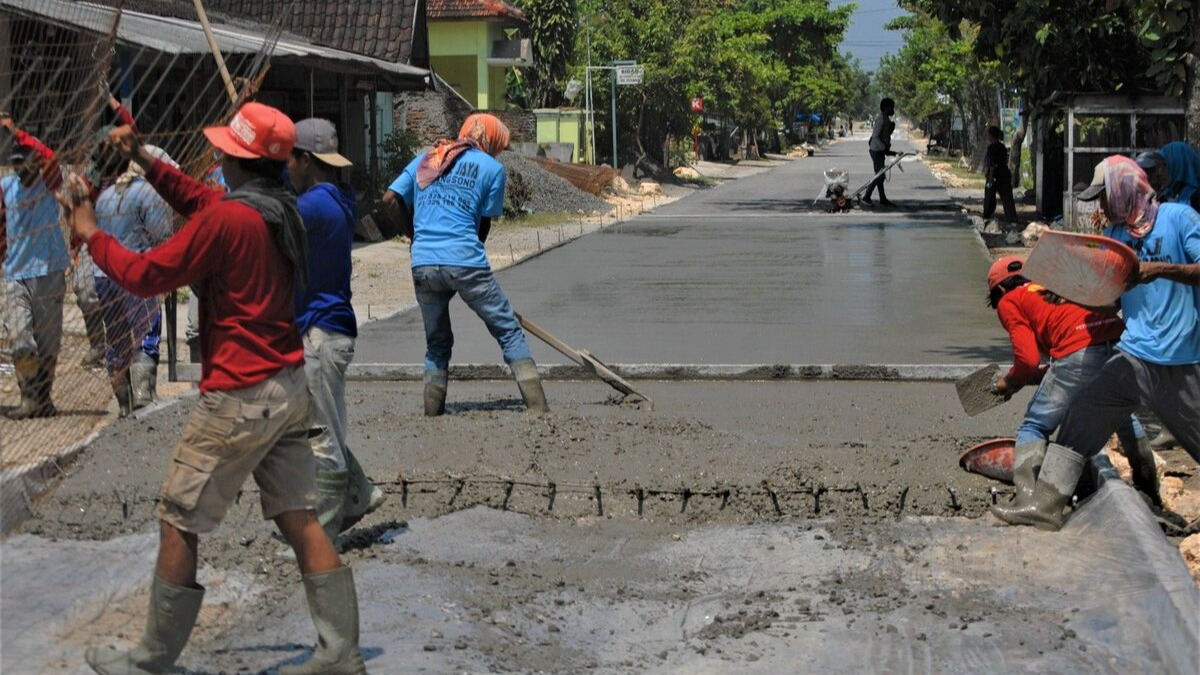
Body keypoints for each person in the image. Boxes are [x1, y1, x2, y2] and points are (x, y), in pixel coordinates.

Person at [63, 104, 367, 675]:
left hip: (238, 396)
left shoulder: (228, 220)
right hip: (286, 384)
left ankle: (152, 658)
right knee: (299, 515)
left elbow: (146, 276)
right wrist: (143, 158)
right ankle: (341, 653)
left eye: (225, 150)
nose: (218, 157)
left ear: (235, 159)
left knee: (179, 515)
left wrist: (91, 234)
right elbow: (195, 199)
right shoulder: (280, 208)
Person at [993, 156, 1200, 531]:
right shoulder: (1119, 240)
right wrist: (1072, 295)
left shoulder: (1178, 219)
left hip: (1179, 359)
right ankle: (1045, 505)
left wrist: (1158, 270)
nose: (1102, 207)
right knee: (1079, 418)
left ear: (1125, 190)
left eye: (1104, 197)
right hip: (1133, 355)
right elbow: (1112, 297)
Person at [383, 113, 549, 416]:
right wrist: (466, 272)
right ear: (492, 140)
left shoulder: (427, 158)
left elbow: (390, 198)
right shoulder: (492, 168)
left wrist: (415, 236)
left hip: (422, 264)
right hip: (465, 261)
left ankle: (432, 415)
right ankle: (538, 410)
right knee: (508, 331)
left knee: (437, 344)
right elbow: (482, 227)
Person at [986, 256, 1159, 509]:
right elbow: (1051, 363)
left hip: (1079, 350)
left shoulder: (1009, 300)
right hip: (1121, 344)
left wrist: (1007, 383)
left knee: (1034, 426)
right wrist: (1037, 372)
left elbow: (1028, 360)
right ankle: (1149, 491)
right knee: (1122, 416)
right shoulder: (1054, 286)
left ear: (999, 289)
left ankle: (1028, 499)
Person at [287, 118, 384, 543]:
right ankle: (360, 493)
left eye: (290, 161)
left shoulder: (311, 207)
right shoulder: (336, 199)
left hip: (321, 335)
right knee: (321, 423)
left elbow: (268, 224)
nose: (286, 168)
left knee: (320, 438)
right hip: (330, 330)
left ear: (305, 160)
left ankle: (321, 539)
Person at [91, 137, 175, 415]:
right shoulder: (145, 193)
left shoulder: (103, 197)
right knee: (145, 335)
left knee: (115, 341)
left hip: (103, 278)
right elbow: (162, 235)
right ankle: (143, 398)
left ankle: (124, 406)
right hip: (137, 275)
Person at [1, 112, 69, 419]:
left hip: (49, 273)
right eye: (16, 164)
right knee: (20, 339)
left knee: (48, 343)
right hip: (15, 274)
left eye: (25, 163)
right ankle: (28, 399)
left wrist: (16, 132)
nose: (20, 169)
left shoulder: (48, 183)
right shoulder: (5, 188)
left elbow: (50, 156)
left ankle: (44, 399)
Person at [1137, 141, 1200, 212]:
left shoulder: (1194, 197)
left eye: (1162, 166)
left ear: (1179, 165)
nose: (1159, 173)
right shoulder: (1168, 194)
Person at [863, 97, 897, 206]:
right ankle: (866, 196)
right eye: (892, 108)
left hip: (880, 150)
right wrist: (884, 149)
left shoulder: (886, 120)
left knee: (880, 175)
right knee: (879, 175)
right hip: (876, 150)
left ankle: (882, 198)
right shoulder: (880, 119)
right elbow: (876, 137)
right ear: (886, 108)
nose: (893, 110)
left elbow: (885, 135)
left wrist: (892, 128)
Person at [982, 126, 1018, 223]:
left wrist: (990, 179)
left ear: (991, 135)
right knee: (1007, 198)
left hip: (994, 176)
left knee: (989, 196)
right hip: (1004, 175)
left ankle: (986, 215)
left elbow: (992, 165)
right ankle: (1012, 218)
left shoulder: (992, 148)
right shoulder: (1002, 147)